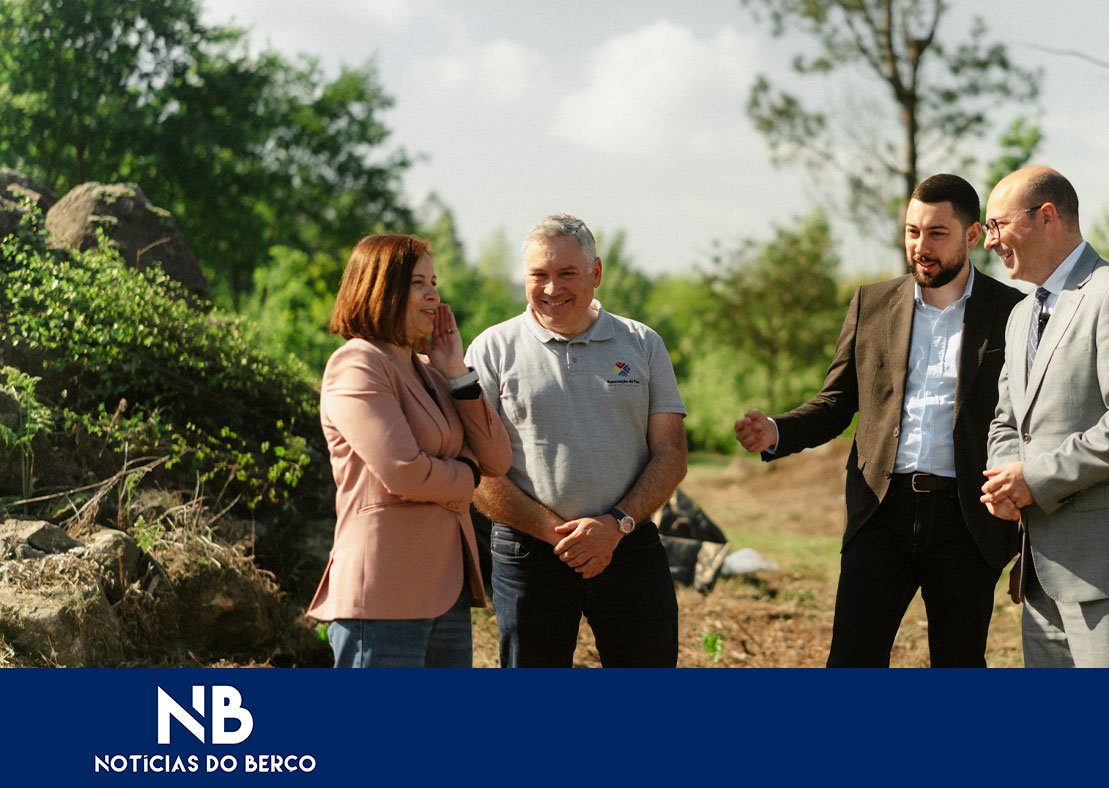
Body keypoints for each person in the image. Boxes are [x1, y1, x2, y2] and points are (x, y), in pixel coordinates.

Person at [734, 174, 1025, 667]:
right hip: (880, 513)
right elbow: (835, 403)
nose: (920, 246)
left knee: (959, 665)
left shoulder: (1012, 312)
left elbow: (1027, 425)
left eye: (937, 233)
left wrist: (1024, 543)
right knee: (851, 662)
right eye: (912, 231)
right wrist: (777, 430)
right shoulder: (871, 304)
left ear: (972, 236)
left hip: (967, 523)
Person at [979, 166, 1109, 668]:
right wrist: (1007, 481)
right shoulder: (1020, 315)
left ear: (1046, 217)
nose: (988, 242)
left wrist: (1034, 479)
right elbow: (1007, 419)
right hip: (1041, 573)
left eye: (997, 225)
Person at [466, 214, 686, 668]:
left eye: (567, 273)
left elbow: (671, 454)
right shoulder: (491, 350)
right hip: (528, 553)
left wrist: (614, 527)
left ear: (596, 272)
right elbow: (475, 468)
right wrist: (559, 534)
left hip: (629, 543)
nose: (552, 288)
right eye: (539, 275)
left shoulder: (643, 344)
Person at [307, 233, 512, 667]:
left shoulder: (433, 372)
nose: (433, 295)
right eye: (418, 283)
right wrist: (467, 475)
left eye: (434, 282)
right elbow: (404, 471)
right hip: (384, 595)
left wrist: (456, 372)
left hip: (447, 592)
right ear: (380, 288)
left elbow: (497, 459)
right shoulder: (357, 364)